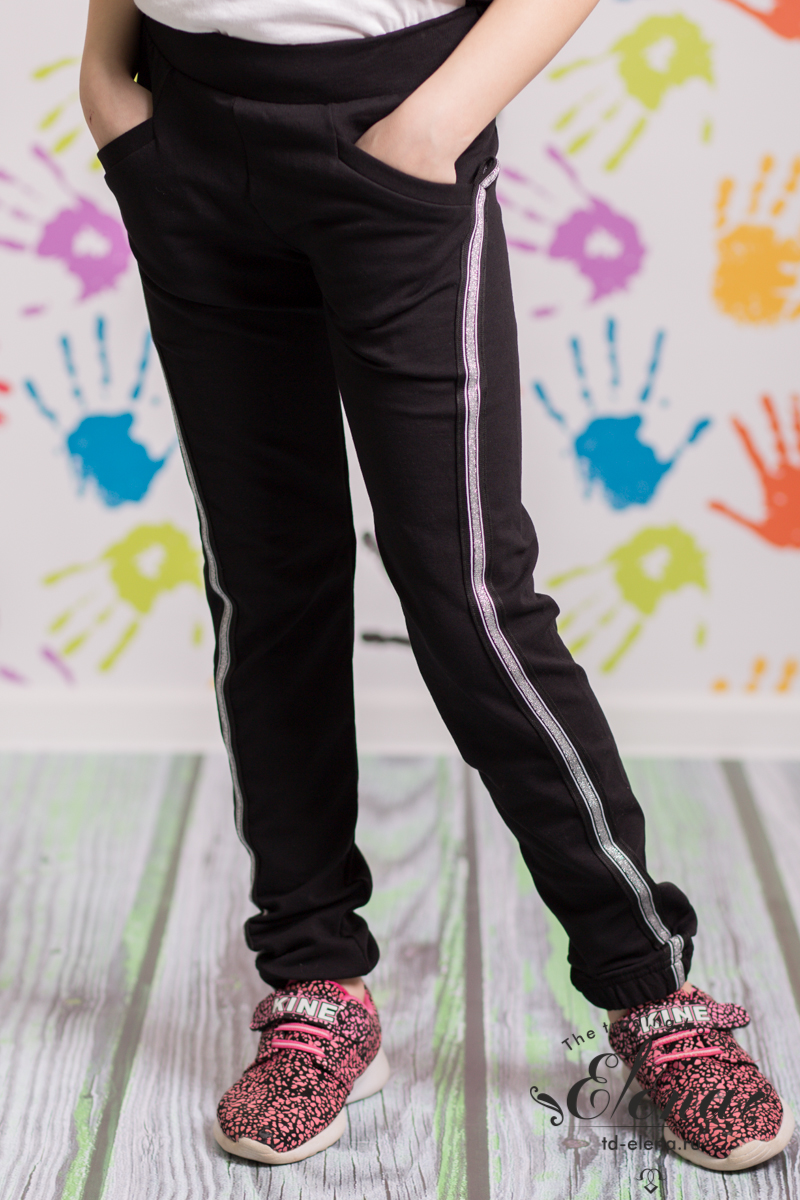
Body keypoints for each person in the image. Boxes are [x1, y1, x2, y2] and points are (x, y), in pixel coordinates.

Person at [79, 0, 794, 1172]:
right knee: (265, 582)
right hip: (185, 137)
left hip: (396, 121)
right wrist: (108, 77)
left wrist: (430, 125)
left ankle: (648, 985)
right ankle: (313, 980)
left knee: (466, 593)